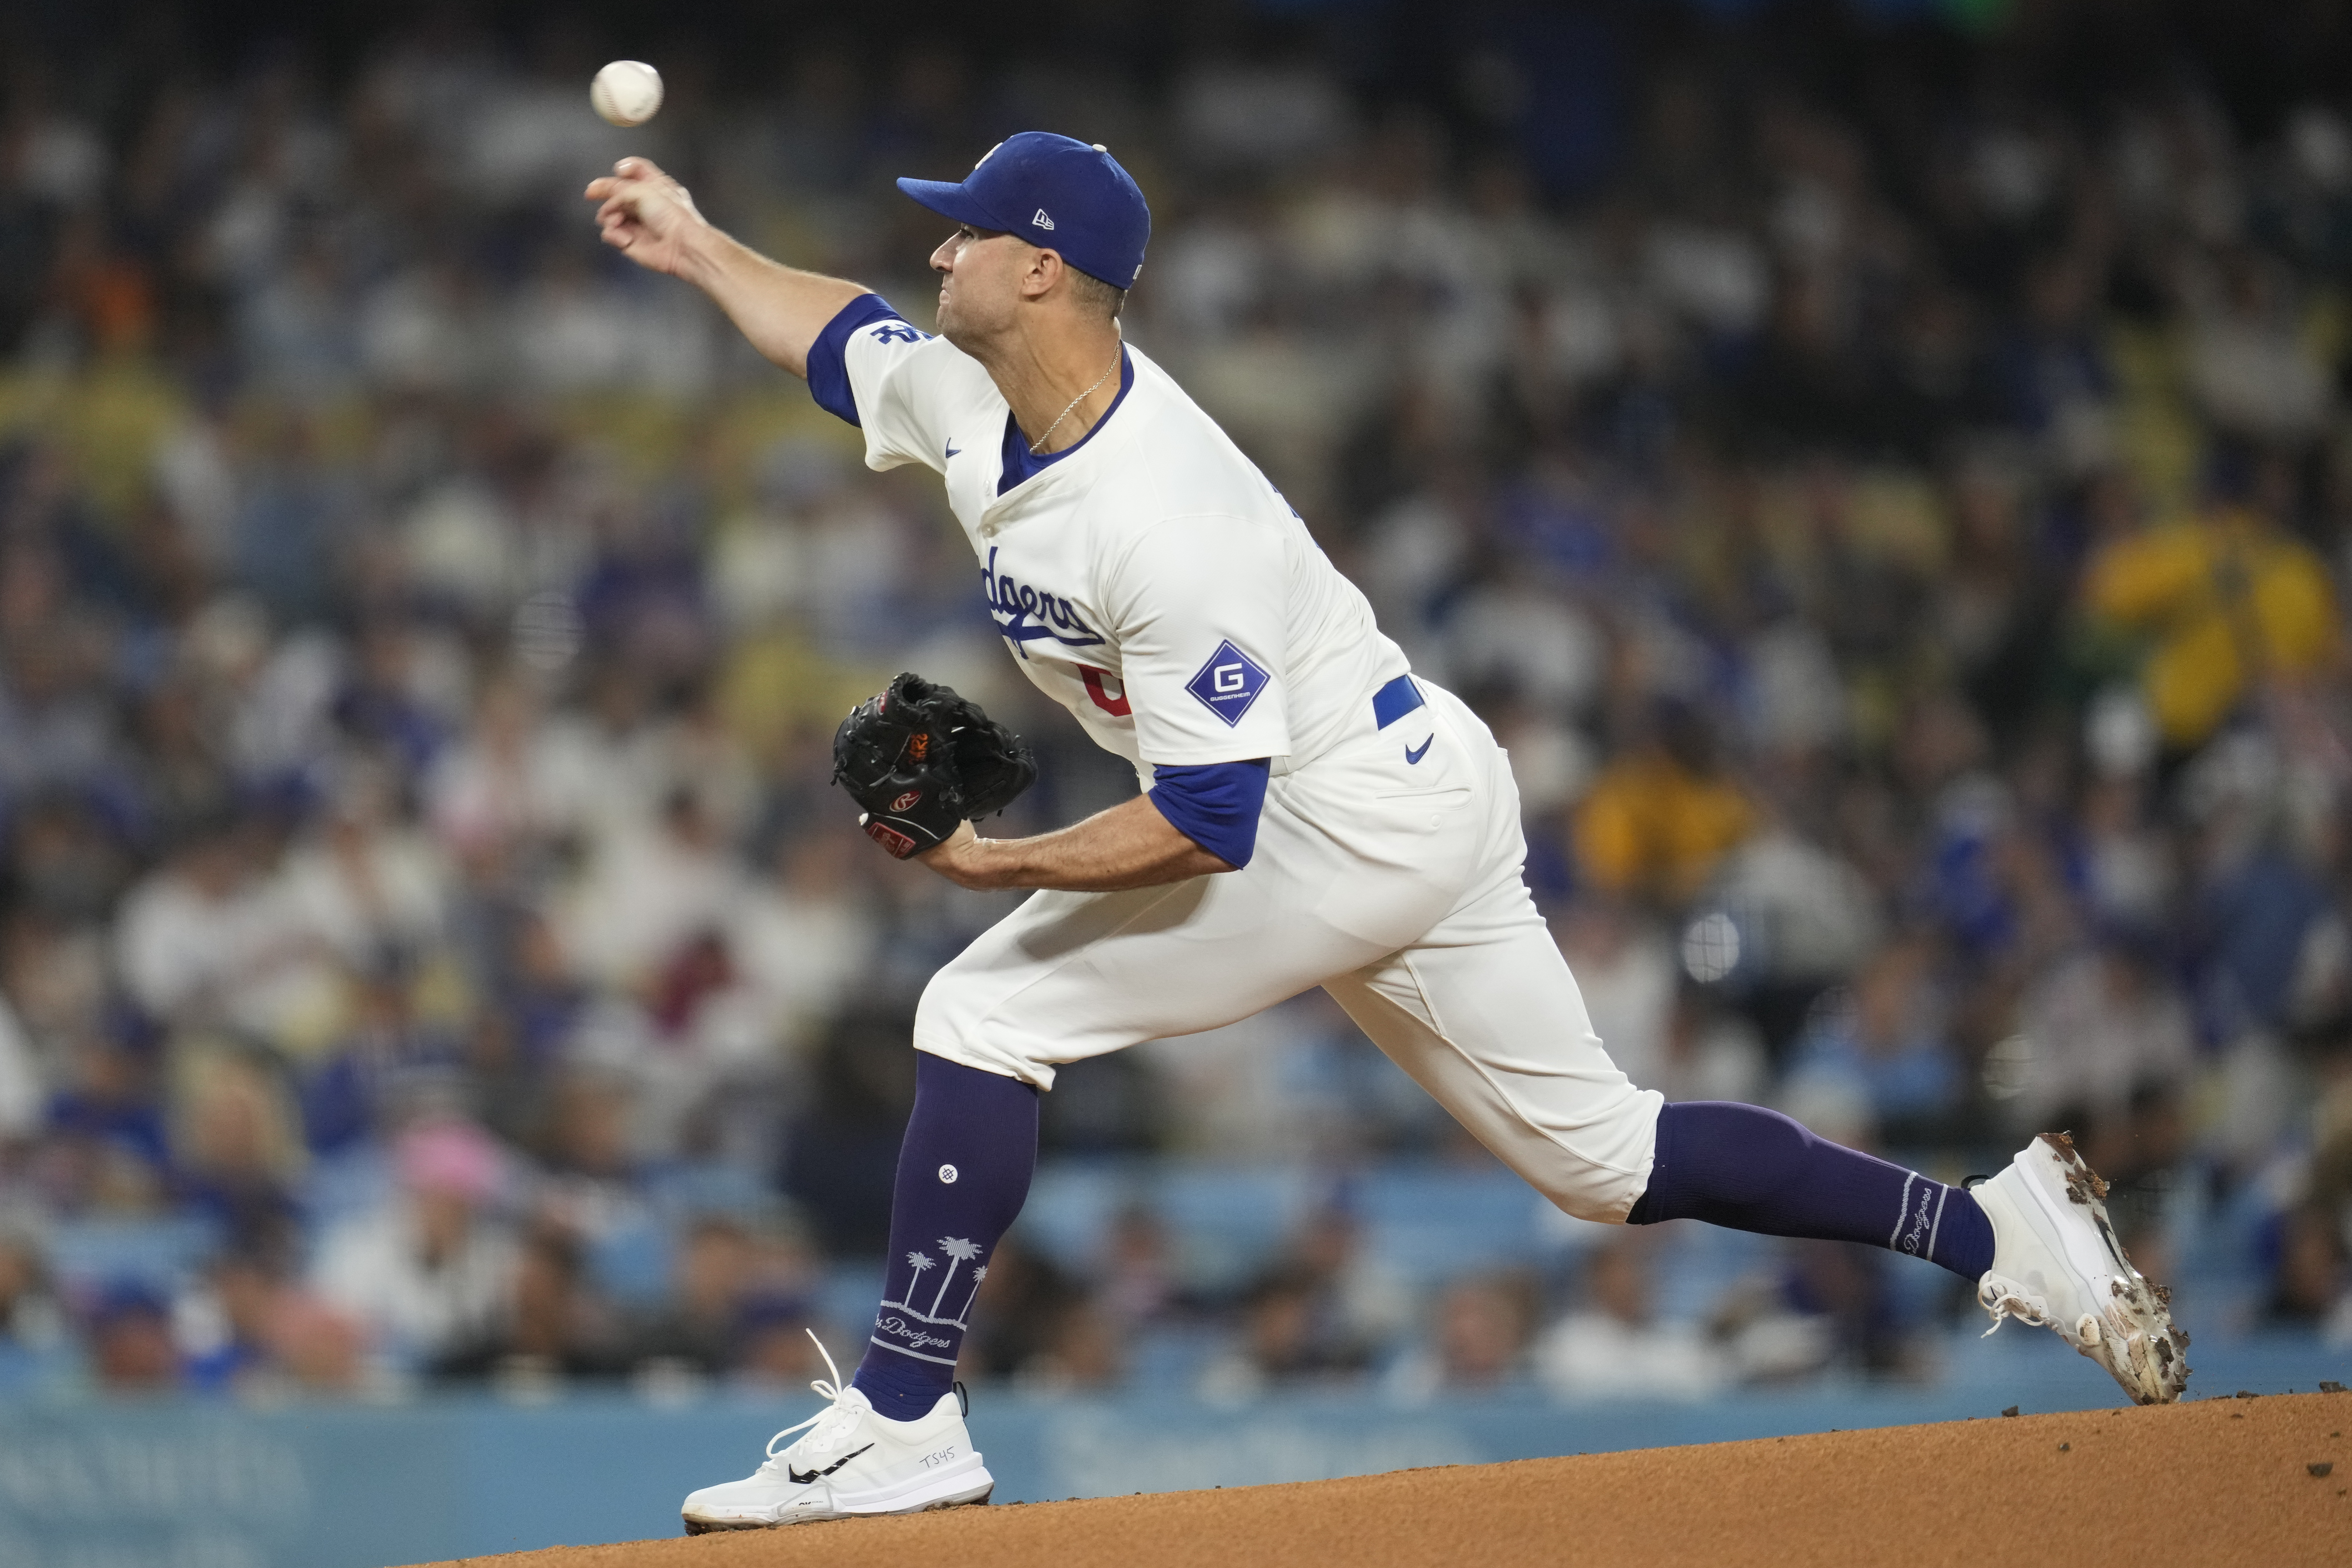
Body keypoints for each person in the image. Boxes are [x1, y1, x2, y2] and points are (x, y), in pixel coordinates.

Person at [585, 131, 2187, 1534]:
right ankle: (1999, 1228)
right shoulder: (973, 387)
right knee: (1602, 1162)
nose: (936, 247)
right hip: (1406, 778)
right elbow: (843, 339)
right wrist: (700, 244)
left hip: (1338, 813)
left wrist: (992, 868)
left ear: (1044, 268)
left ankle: (903, 1422)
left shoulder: (1164, 510)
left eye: (965, 227)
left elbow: (1211, 824)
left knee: (979, 1006)